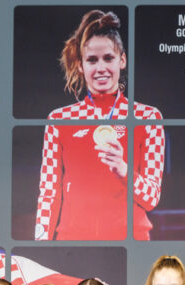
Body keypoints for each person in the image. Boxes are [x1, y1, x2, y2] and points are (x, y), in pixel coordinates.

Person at [35, 10, 164, 240]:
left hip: (130, 243)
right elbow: (48, 193)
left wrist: (124, 170)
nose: (101, 68)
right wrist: (40, 244)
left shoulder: (147, 118)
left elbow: (152, 198)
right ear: (81, 65)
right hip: (73, 244)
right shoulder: (60, 120)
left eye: (108, 58)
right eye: (92, 60)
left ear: (122, 60)